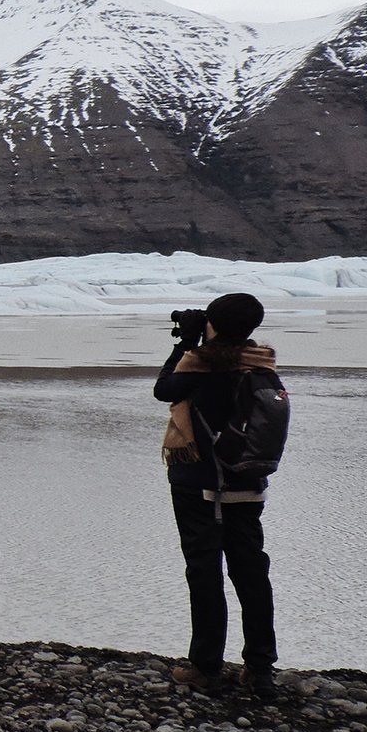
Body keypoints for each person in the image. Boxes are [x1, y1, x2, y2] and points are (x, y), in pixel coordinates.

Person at [154, 291, 279, 701]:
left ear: (214, 325)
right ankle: (261, 669)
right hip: (248, 486)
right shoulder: (262, 365)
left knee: (204, 572)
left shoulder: (201, 364)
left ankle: (207, 667)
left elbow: (164, 389)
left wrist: (185, 344)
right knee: (251, 572)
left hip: (199, 485)